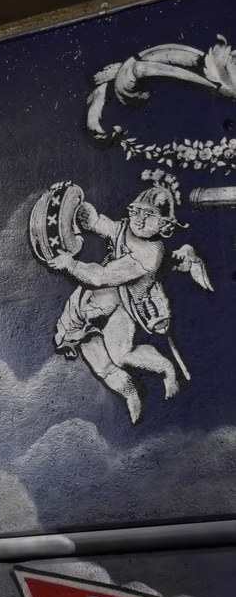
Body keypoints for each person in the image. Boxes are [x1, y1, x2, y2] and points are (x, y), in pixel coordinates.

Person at [46, 172, 211, 423]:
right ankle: (130, 394)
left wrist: (70, 264)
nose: (140, 220)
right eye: (137, 212)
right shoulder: (127, 228)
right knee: (95, 358)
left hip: (123, 307)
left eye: (150, 215)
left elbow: (102, 276)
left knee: (121, 356)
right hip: (89, 302)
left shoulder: (149, 255)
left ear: (165, 225)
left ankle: (166, 369)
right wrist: (77, 210)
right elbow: (105, 226)